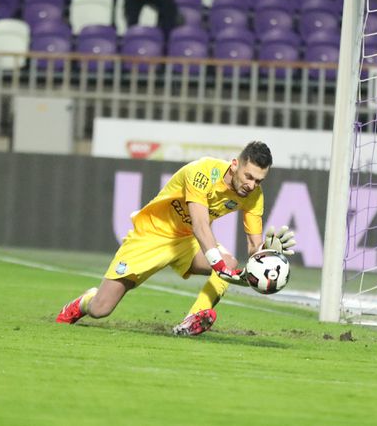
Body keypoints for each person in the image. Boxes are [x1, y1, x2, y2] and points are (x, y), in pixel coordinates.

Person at [55, 141, 296, 336]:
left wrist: (266, 253)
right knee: (100, 309)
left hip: (187, 241)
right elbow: (200, 224)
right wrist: (219, 265)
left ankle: (192, 320)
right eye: (248, 176)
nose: (252, 185)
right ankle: (84, 301)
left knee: (230, 262)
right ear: (235, 165)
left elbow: (253, 248)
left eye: (258, 181)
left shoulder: (254, 196)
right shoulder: (203, 172)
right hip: (153, 234)